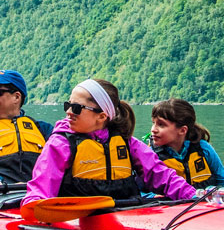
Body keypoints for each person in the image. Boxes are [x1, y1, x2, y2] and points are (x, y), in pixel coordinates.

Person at [22, 78, 197, 205]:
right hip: (79, 222)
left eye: (76, 107)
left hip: (126, 215)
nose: (69, 112)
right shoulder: (60, 144)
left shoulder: (127, 143)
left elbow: (159, 174)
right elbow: (41, 186)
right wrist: (35, 204)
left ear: (102, 116)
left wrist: (193, 195)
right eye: (68, 105)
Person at [148, 99, 224, 190]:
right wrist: (153, 196)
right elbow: (141, 192)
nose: (153, 129)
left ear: (183, 130)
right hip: (168, 204)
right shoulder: (150, 155)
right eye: (153, 123)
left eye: (161, 125)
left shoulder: (204, 148)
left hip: (204, 203)